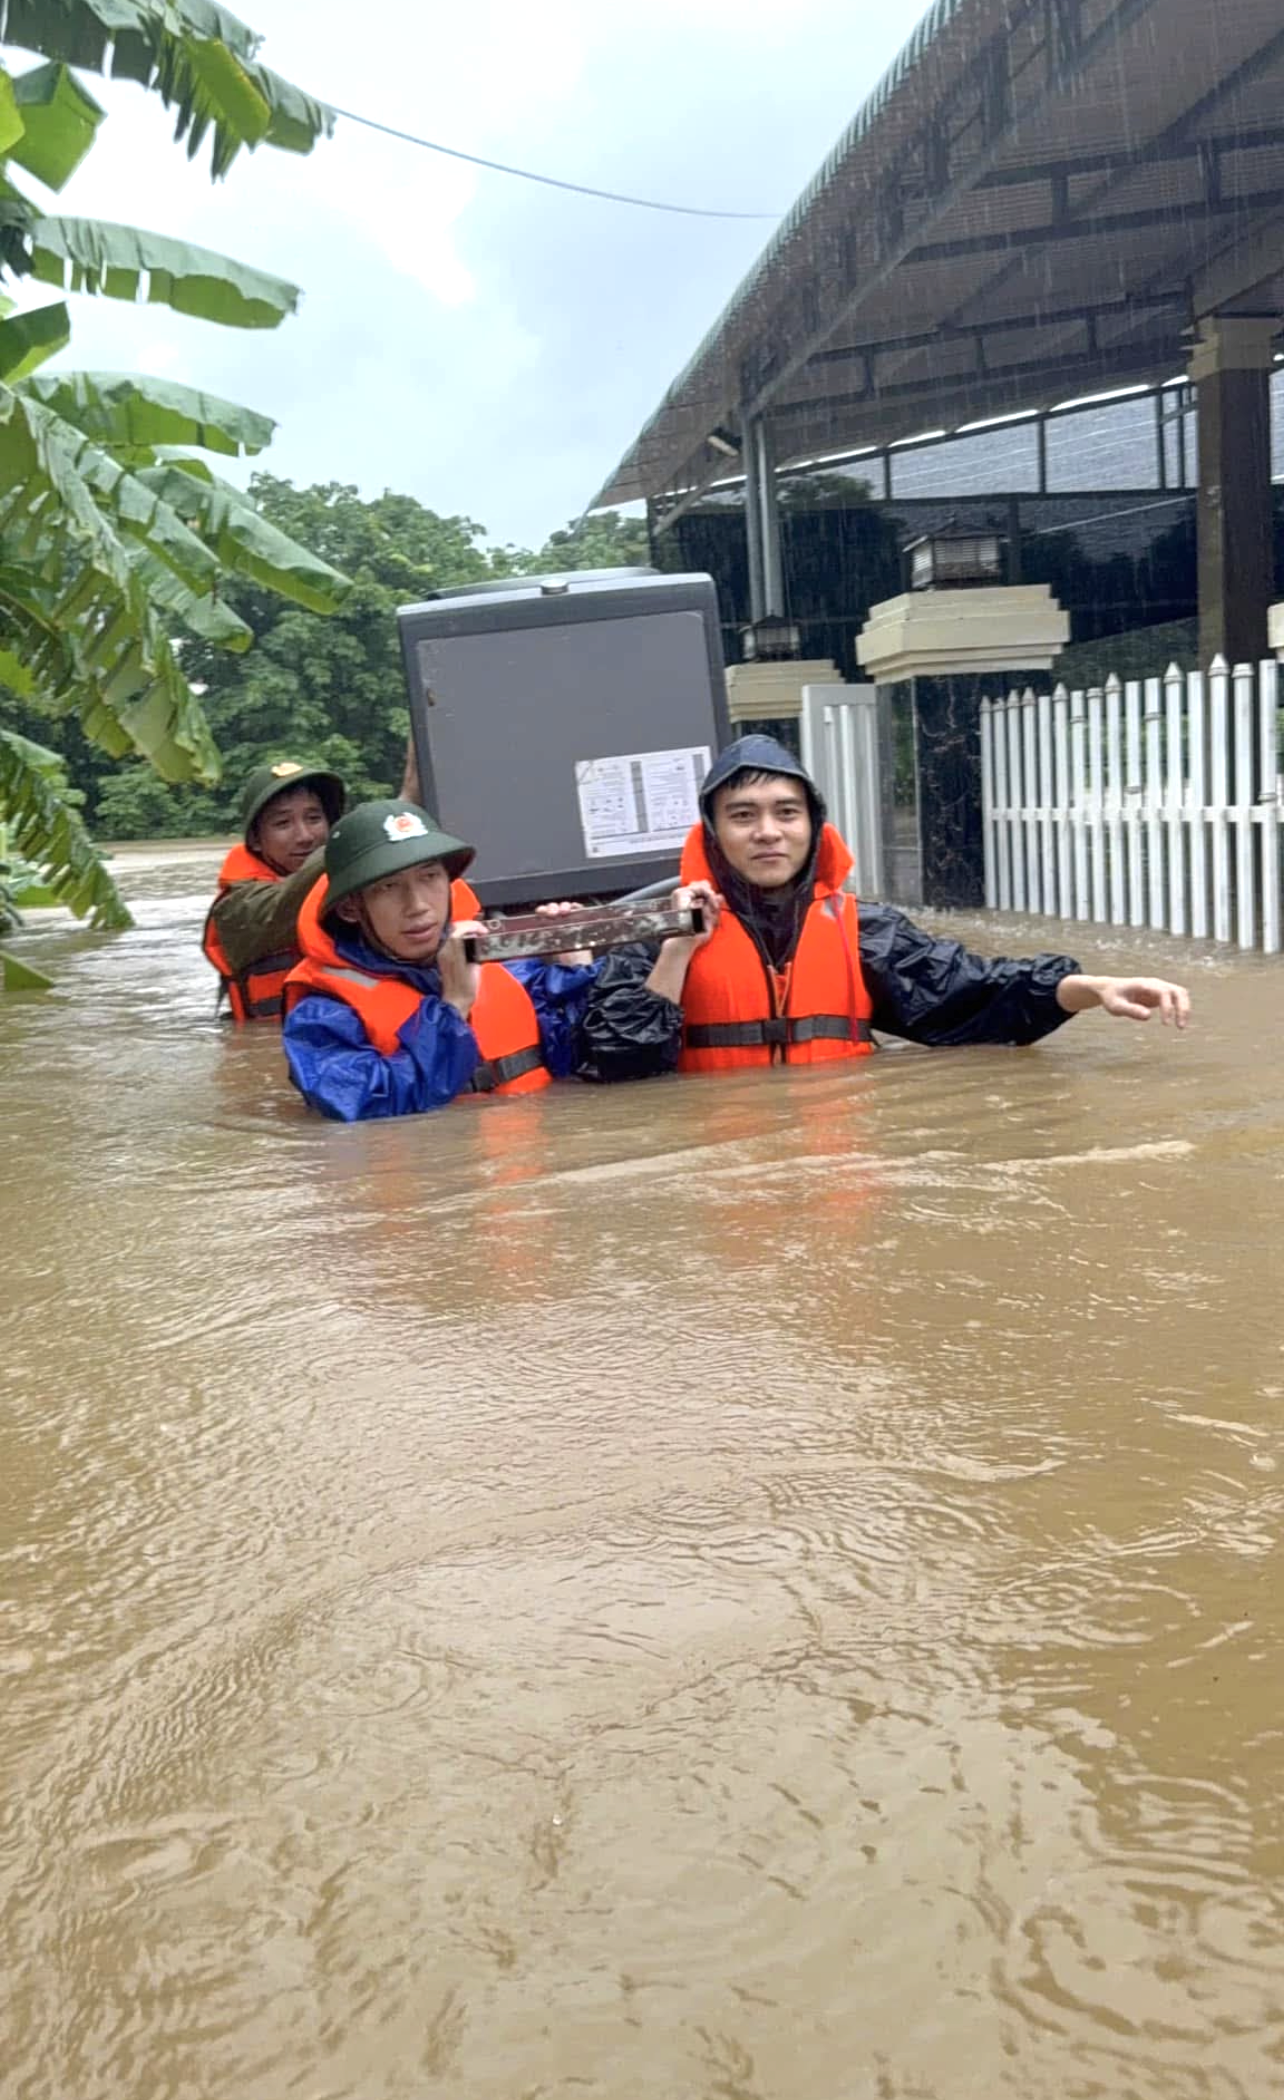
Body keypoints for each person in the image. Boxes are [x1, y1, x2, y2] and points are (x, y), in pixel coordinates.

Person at [578, 734, 1190, 1080]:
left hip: (838, 1164)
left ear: (812, 828)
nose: (767, 832)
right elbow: (618, 1063)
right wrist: (679, 948)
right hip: (712, 1168)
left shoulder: (863, 929)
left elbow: (976, 996)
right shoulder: (655, 935)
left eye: (786, 813)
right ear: (714, 834)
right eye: (743, 816)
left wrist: (1094, 987)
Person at [281, 799, 599, 1121]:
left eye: (429, 876)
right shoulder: (321, 1016)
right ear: (351, 908)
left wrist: (577, 970)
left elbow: (589, 1058)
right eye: (388, 886)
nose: (417, 905)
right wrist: (454, 1007)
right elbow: (367, 1108)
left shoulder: (508, 970)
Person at [202, 758, 348, 1022]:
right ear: (256, 840)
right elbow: (289, 903)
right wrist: (353, 840)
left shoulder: (355, 886)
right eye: (283, 824)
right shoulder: (237, 909)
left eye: (314, 818)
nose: (304, 836)